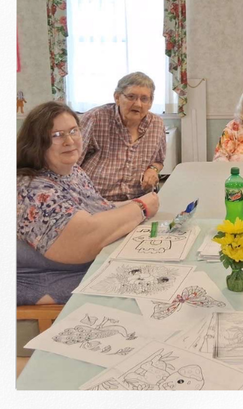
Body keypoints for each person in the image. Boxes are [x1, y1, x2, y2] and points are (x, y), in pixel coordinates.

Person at [17, 101, 160, 305]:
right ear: (36, 142)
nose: (69, 141)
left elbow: (100, 209)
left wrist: (134, 204)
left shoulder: (72, 171)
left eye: (74, 131)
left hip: (95, 269)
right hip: (58, 287)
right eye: (57, 135)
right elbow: (84, 236)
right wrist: (141, 208)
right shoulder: (30, 189)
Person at [78, 72, 166, 201]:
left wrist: (152, 170)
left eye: (144, 99)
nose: (138, 104)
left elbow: (158, 161)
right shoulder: (95, 118)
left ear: (151, 102)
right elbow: (72, 163)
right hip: (94, 198)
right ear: (117, 97)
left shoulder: (157, 124)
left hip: (137, 198)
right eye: (131, 97)